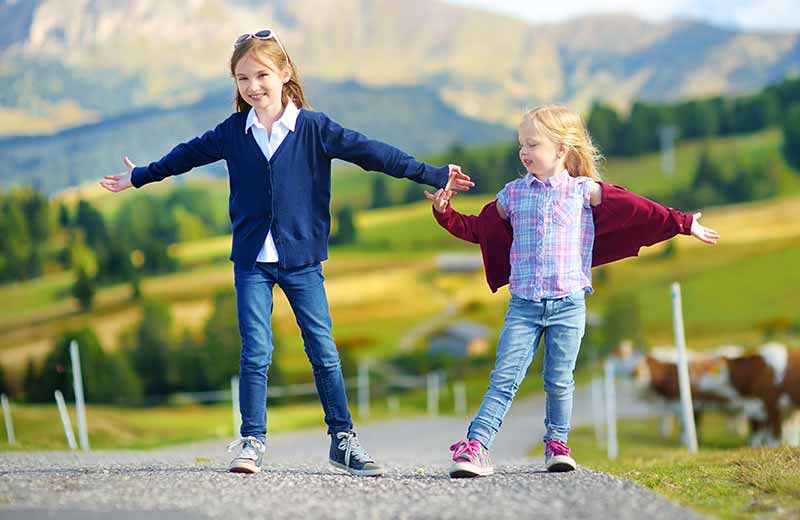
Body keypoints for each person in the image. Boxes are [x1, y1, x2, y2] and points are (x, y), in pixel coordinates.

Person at [100, 29, 474, 476]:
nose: (253, 86)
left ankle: (343, 439)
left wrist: (432, 174)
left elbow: (374, 153)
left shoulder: (315, 128)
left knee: (323, 351)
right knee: (255, 352)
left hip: (301, 261)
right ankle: (252, 441)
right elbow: (185, 156)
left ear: (285, 73)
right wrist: (140, 176)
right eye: (242, 79)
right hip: (251, 262)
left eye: (261, 75)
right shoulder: (233, 133)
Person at [424, 105, 719, 476]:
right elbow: (478, 230)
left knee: (559, 381)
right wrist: (445, 212)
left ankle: (556, 443)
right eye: (521, 145)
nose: (524, 152)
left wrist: (683, 222)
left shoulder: (585, 192)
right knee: (505, 377)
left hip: (568, 304)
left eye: (533, 144)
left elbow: (639, 210)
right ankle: (476, 446)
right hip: (524, 305)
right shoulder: (512, 195)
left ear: (562, 149)